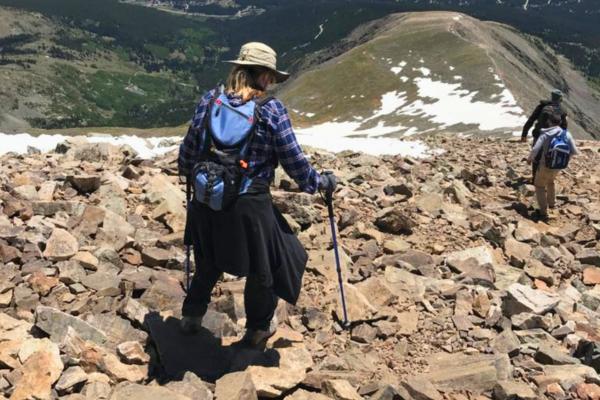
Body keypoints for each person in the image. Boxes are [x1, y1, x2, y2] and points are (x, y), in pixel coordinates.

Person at [178, 42, 337, 346]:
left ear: (237, 69)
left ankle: (191, 318)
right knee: (264, 264)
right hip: (249, 203)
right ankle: (257, 330)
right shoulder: (271, 110)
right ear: (264, 76)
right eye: (271, 77)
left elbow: (188, 150)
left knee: (208, 258)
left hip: (207, 198)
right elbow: (294, 161)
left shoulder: (209, 100)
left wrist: (193, 179)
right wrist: (320, 183)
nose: (272, 83)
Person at [527, 110, 578, 220]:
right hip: (558, 166)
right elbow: (574, 151)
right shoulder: (566, 134)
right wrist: (565, 160)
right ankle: (552, 203)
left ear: (549, 122)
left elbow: (536, 149)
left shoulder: (545, 134)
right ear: (559, 122)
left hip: (545, 165)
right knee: (551, 182)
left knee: (539, 186)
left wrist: (530, 159)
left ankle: (543, 212)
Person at [521, 89, 568, 178]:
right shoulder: (562, 110)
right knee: (550, 157)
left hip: (539, 135)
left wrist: (524, 134)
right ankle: (547, 178)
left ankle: (535, 179)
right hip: (553, 138)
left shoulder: (542, 106)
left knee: (537, 158)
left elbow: (531, 120)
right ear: (560, 99)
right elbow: (564, 126)